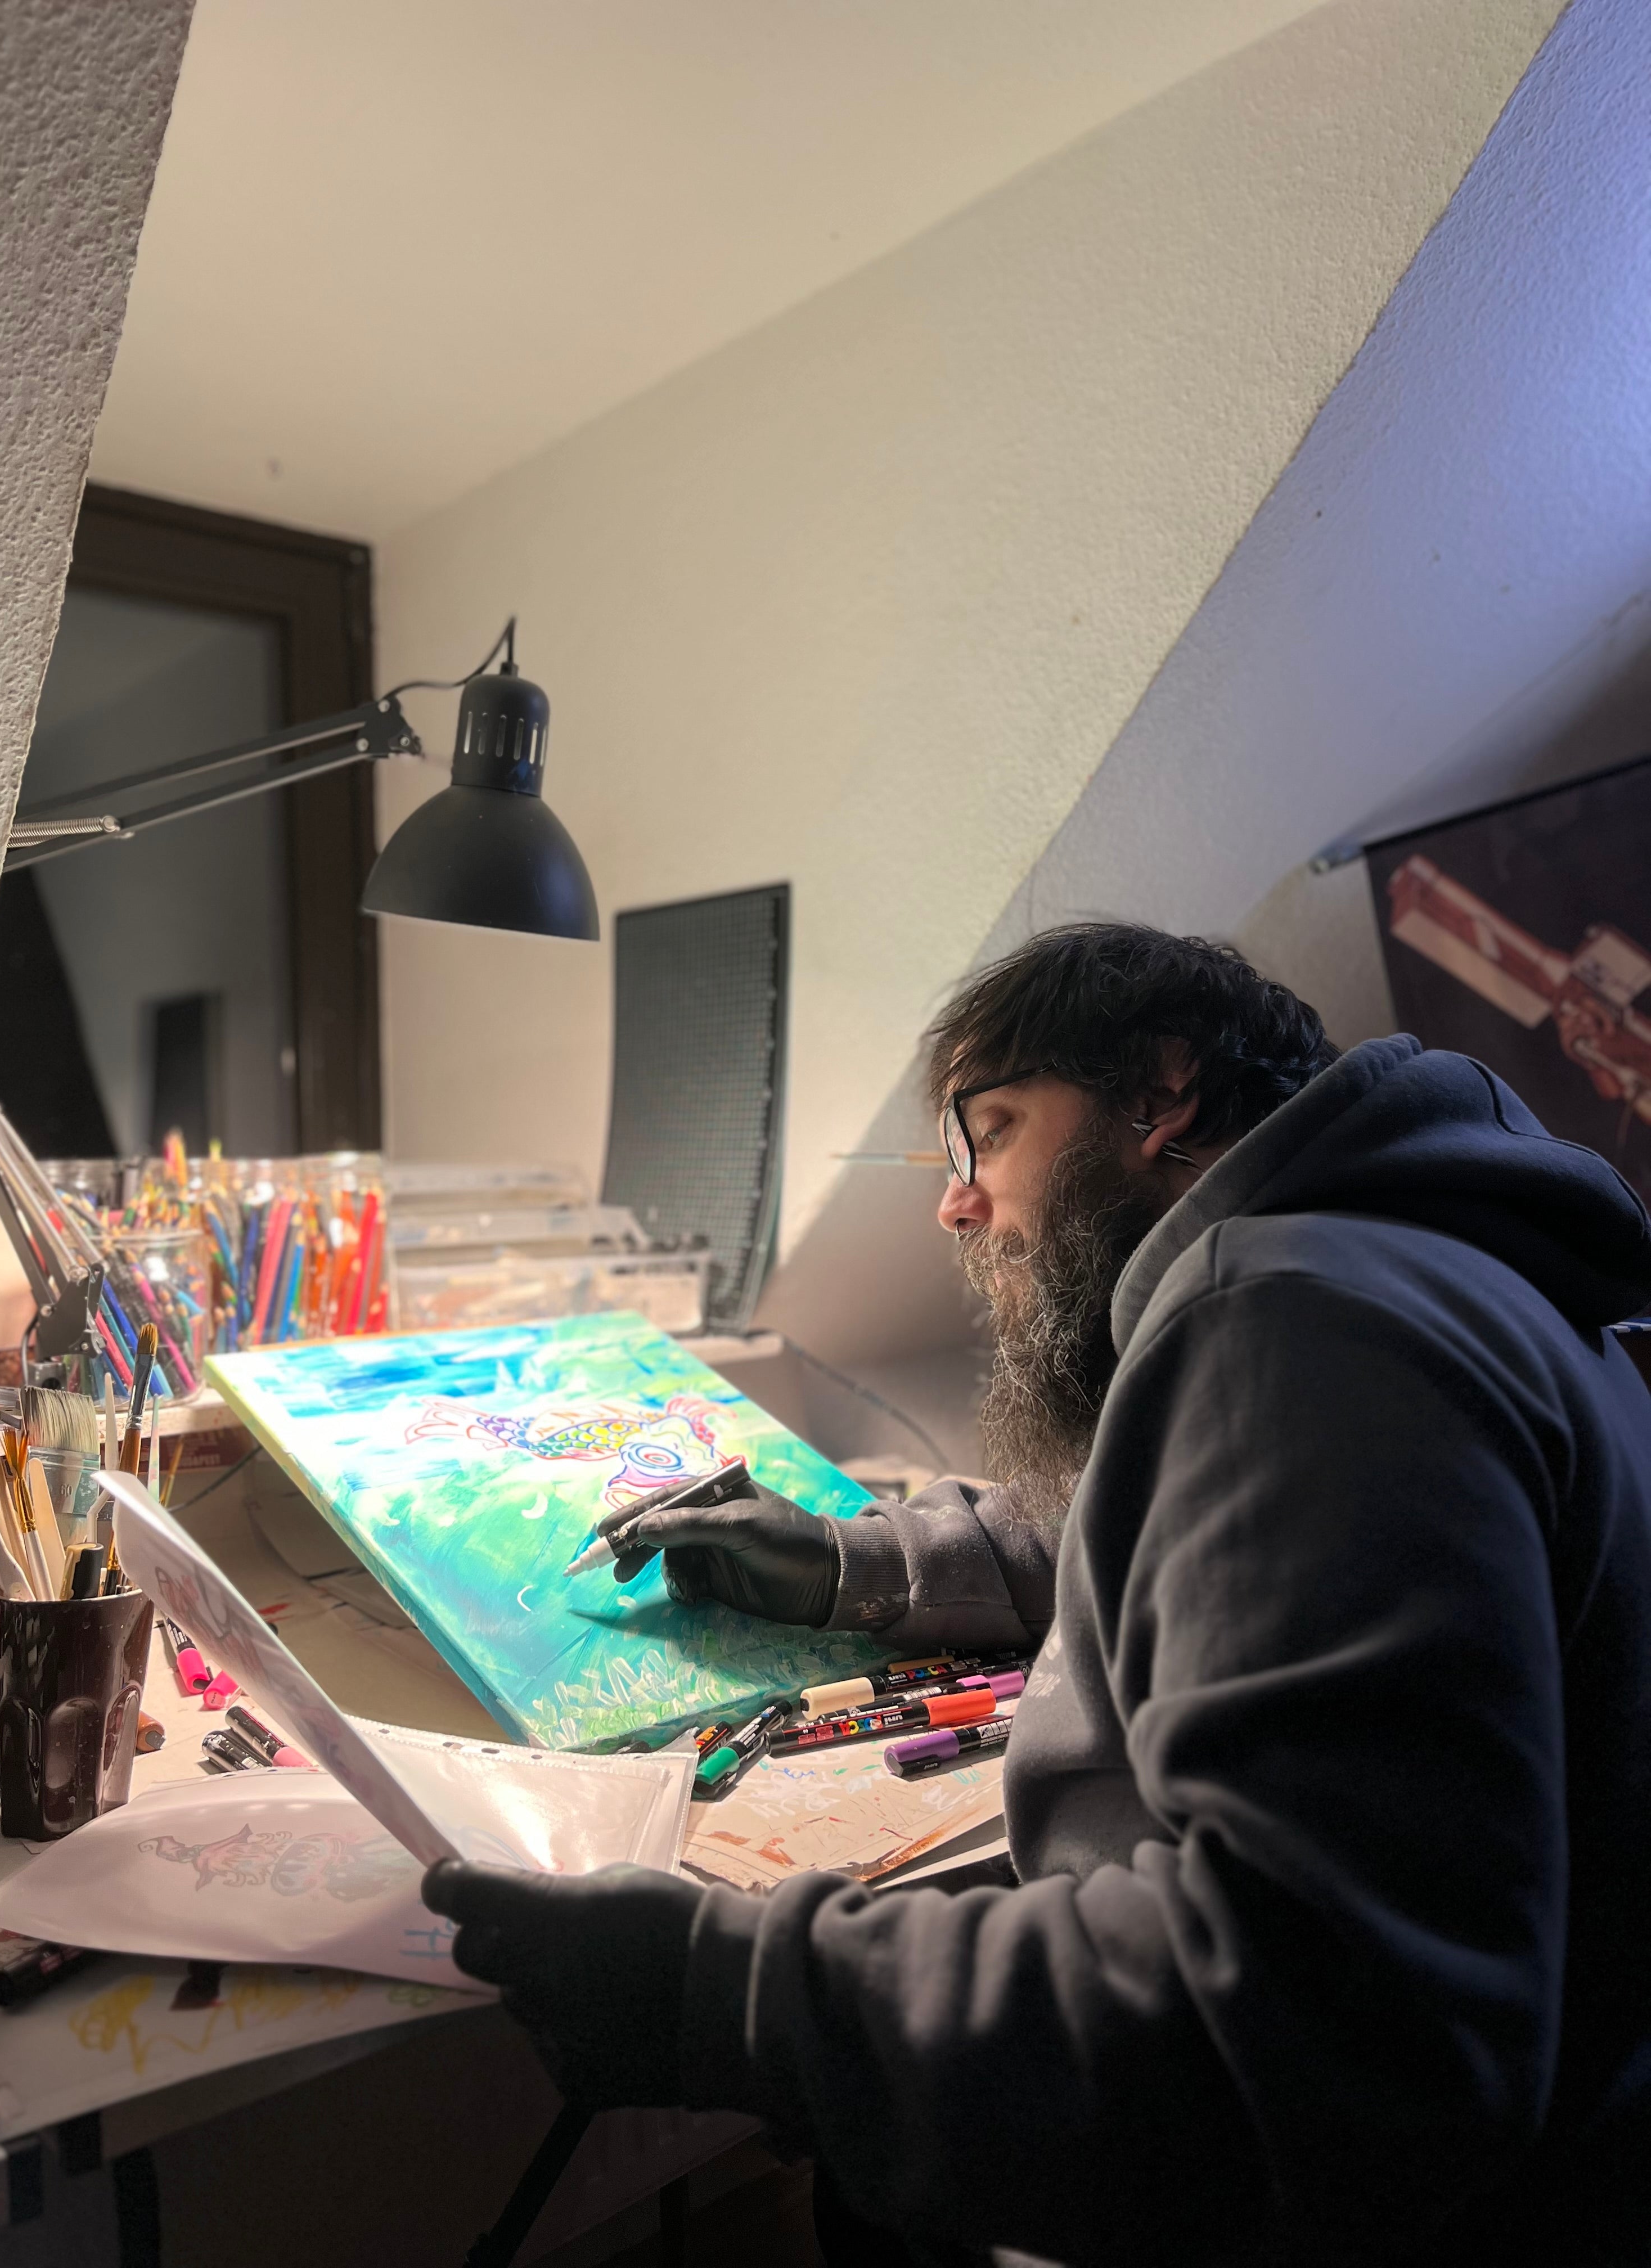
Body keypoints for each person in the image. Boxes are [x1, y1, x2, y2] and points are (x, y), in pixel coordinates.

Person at [425, 923, 1651, 2267]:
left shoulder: (1296, 1324)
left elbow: (1316, 2028)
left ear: (1163, 1087)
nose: (956, 1206)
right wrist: (848, 1560)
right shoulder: (1419, 1270)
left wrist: (736, 1993)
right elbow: (1164, 1539)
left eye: (990, 1132)